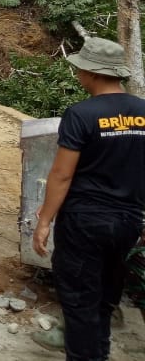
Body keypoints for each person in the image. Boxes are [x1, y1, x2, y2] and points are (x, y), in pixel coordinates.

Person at [32, 37, 145, 361]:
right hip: (127, 222)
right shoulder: (142, 112)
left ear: (92, 74)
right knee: (105, 301)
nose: (79, 75)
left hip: (84, 222)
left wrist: (44, 221)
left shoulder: (81, 114)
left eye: (81, 69)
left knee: (80, 304)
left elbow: (62, 175)